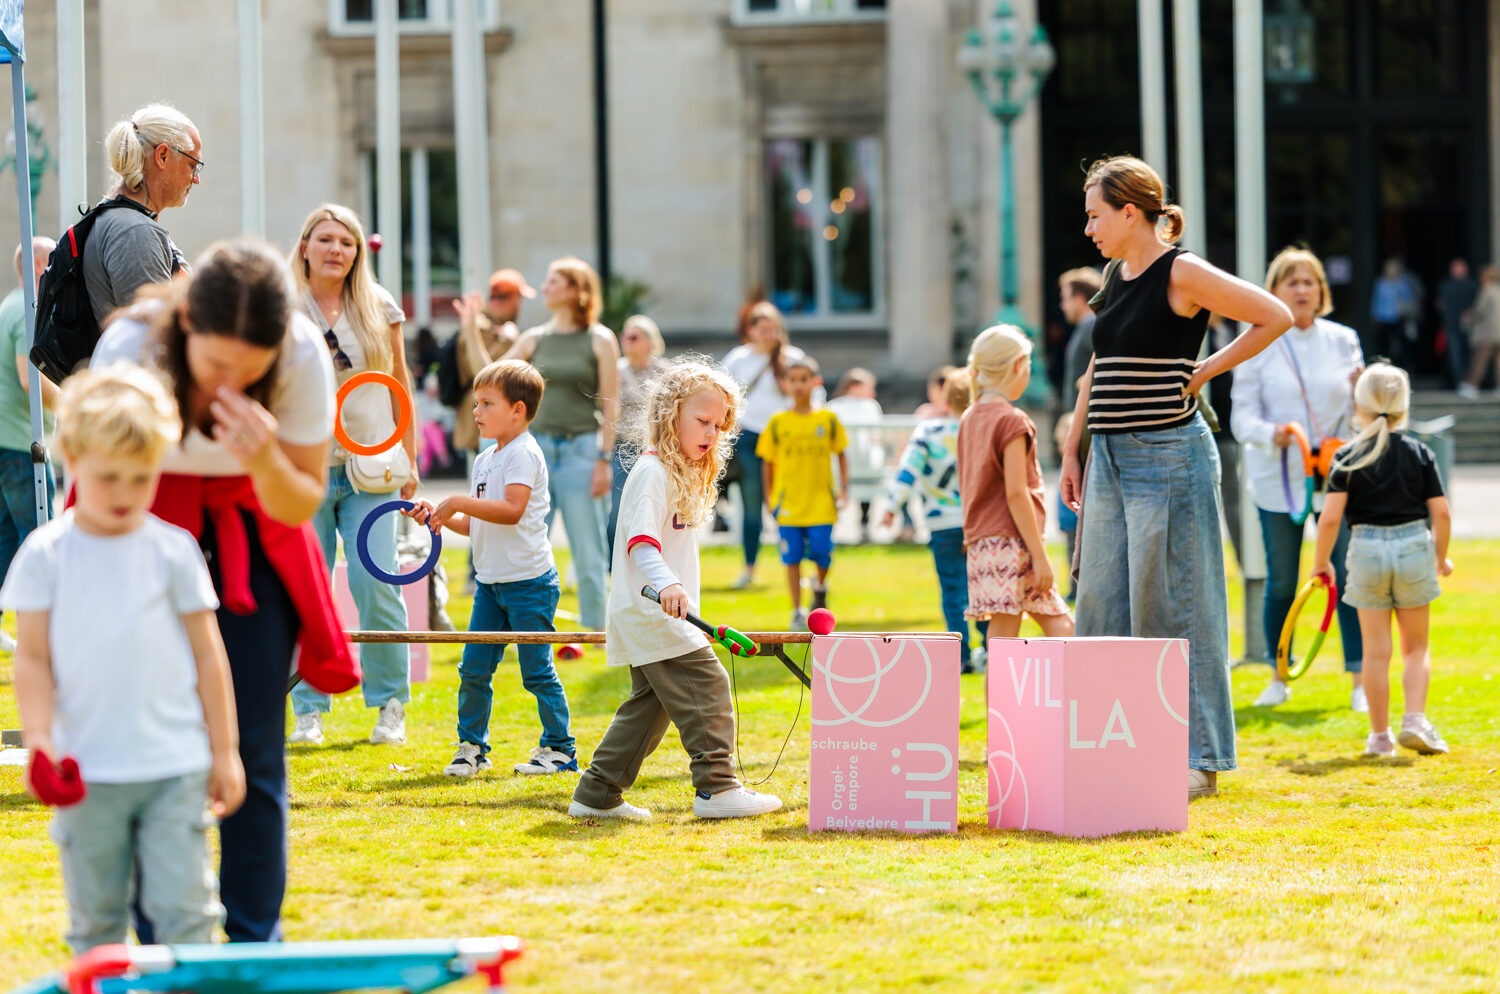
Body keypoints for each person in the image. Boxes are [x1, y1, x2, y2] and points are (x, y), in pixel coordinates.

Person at [92, 238, 348, 943]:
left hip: (253, 529)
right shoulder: (131, 349)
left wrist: (264, 457)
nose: (231, 386)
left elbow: (301, 500)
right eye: (215, 366)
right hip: (144, 527)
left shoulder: (300, 352)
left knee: (255, 741)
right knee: (150, 742)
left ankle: (253, 936)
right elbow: (98, 482)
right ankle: (159, 940)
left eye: (249, 371)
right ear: (185, 331)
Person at [1059, 156, 1294, 801]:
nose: (1089, 229)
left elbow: (1272, 313)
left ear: (1130, 213)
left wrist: (1205, 370)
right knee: (1100, 607)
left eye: (1095, 214)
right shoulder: (1114, 273)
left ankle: (1201, 759)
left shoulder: (1181, 270)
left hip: (1170, 455)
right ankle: (1106, 744)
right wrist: (1074, 447)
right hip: (1107, 457)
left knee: (1180, 609)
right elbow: (1099, 369)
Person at [4, 365, 245, 955]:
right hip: (86, 775)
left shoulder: (173, 550)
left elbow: (209, 657)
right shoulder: (45, 555)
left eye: (141, 478)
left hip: (175, 770)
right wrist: (40, 742)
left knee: (188, 915)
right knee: (97, 925)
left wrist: (224, 752)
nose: (124, 493)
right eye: (107, 477)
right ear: (74, 460)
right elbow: (31, 659)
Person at [569, 359, 782, 821]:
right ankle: (717, 788)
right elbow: (640, 543)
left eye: (719, 426)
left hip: (659, 611)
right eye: (702, 421)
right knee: (709, 684)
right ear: (671, 415)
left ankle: (597, 794)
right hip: (652, 609)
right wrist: (667, 585)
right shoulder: (653, 473)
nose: (711, 433)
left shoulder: (681, 470)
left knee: (649, 709)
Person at [406, 360, 577, 778]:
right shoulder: (485, 459)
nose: (476, 413)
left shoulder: (524, 453)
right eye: (475, 404)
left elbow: (512, 511)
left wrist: (459, 502)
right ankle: (471, 747)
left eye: (486, 404)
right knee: (474, 669)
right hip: (490, 584)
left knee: (536, 670)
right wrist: (441, 516)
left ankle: (560, 749)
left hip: (529, 584)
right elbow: (480, 521)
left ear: (517, 410)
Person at [286, 204, 415, 747]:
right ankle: (307, 708)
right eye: (326, 239)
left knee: (377, 580)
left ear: (358, 251)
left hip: (371, 468)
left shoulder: (378, 304)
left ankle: (390, 704)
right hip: (304, 468)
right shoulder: (283, 305)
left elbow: (399, 383)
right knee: (303, 590)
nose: (336, 249)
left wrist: (410, 461)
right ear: (306, 246)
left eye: (347, 241)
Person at [1231, 247, 1366, 710]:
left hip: (1336, 477)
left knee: (1349, 575)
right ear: (1274, 291)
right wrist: (1278, 435)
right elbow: (1241, 420)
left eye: (1309, 281)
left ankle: (1360, 680)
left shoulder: (1343, 339)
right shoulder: (1256, 341)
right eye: (1292, 282)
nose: (1302, 290)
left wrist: (1357, 410)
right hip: (1279, 479)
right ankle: (1278, 672)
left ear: (1322, 290)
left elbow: (1361, 412)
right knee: (1283, 581)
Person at [1311, 363, 1452, 758]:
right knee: (1415, 648)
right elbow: (1441, 513)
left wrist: (1321, 563)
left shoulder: (1347, 456)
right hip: (1412, 547)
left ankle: (1379, 737)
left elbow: (1331, 519)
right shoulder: (1419, 452)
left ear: (1360, 404)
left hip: (1367, 550)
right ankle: (1415, 720)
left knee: (1376, 651)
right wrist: (1441, 559)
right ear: (1404, 405)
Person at [504, 257, 619, 633]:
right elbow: (491, 377)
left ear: (577, 290)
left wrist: (604, 459)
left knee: (588, 552)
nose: (546, 287)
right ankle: (522, 629)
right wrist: (473, 327)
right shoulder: (534, 338)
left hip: (582, 452)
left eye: (555, 281)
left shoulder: (600, 340)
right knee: (525, 546)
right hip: (535, 452)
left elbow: (610, 404)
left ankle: (597, 633)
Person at [959, 325, 1073, 641]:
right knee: (1063, 629)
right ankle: (1072, 691)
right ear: (1017, 366)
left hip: (982, 544)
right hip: (1013, 542)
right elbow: (1016, 492)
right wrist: (1040, 554)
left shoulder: (970, 417)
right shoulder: (1012, 420)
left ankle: (1018, 692)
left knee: (1003, 636)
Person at [883, 368, 990, 673]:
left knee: (953, 589)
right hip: (977, 523)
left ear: (945, 398)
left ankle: (961, 655)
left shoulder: (928, 433)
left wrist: (892, 506)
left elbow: (908, 471)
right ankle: (989, 646)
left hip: (941, 523)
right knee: (980, 589)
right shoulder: (981, 431)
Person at [83, 104, 198, 324]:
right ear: (162, 156)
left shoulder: (122, 220)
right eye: (193, 165)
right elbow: (155, 336)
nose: (196, 178)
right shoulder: (135, 233)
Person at [757, 355, 848, 630]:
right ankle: (796, 609)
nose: (798, 385)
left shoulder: (828, 419)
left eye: (804, 380)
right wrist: (769, 497)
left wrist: (844, 488)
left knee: (822, 552)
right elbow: (768, 462)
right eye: (793, 380)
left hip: (821, 501)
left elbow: (842, 453)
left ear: (815, 382)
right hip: (789, 504)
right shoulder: (778, 422)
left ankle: (819, 587)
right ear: (785, 384)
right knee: (792, 557)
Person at [722, 301, 807, 589]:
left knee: (793, 504)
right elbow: (721, 395)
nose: (769, 334)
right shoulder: (738, 359)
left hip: (786, 440)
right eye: (763, 329)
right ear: (751, 331)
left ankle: (798, 568)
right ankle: (749, 567)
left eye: (773, 328)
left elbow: (813, 397)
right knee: (751, 504)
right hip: (749, 439)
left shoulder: (793, 358)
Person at [0, 237, 59, 652]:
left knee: (6, 544)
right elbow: (28, 379)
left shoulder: (8, 305)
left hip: (7, 444)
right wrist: (76, 403)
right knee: (38, 541)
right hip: (24, 447)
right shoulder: (26, 311)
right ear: (39, 266)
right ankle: (41, 640)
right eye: (53, 262)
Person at [451, 268, 534, 461]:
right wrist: (508, 340)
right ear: (512, 298)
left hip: (489, 418)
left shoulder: (488, 324)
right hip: (484, 419)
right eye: (519, 299)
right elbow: (484, 373)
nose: (520, 306)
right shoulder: (483, 327)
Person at [1055, 267, 1101, 596]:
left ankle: (1084, 583)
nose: (1061, 305)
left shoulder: (1090, 329)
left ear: (1080, 297)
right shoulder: (1086, 329)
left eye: (1064, 297)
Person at [608, 314, 669, 553]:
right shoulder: (615, 370)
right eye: (625, 336)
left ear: (650, 341)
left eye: (634, 337)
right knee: (619, 508)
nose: (627, 341)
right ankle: (615, 564)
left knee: (655, 506)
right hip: (623, 447)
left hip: (658, 448)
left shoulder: (664, 371)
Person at [826, 367, 884, 543]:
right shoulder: (835, 407)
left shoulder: (869, 406)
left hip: (864, 459)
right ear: (854, 386)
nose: (872, 393)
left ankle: (863, 523)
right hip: (843, 459)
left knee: (866, 493)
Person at [1369, 257, 1419, 371]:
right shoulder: (1380, 283)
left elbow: (1409, 300)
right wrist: (1374, 316)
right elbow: (1376, 300)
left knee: (1400, 345)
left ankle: (1400, 368)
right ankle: (1384, 368)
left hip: (1398, 318)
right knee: (1384, 345)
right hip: (1383, 318)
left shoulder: (1402, 284)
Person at [1438, 259, 1478, 395]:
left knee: (1469, 355)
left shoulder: (1472, 285)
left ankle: (1468, 382)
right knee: (1455, 355)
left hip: (1469, 326)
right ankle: (1459, 382)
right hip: (1451, 325)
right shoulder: (1446, 285)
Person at [1461, 264, 1500, 396]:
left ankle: (1472, 386)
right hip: (1498, 333)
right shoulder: (1498, 291)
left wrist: (1468, 315)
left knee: (1480, 362)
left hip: (1487, 334)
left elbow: (1480, 311)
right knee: (1498, 363)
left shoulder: (1487, 291)